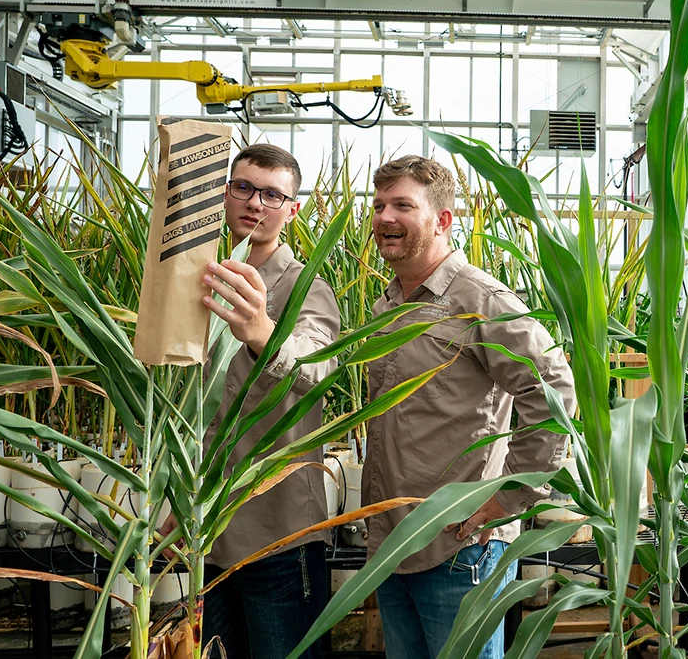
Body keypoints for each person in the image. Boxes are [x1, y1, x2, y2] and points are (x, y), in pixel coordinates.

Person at [362, 155, 576, 659]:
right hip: (394, 542)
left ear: (442, 220)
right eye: (379, 205)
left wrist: (513, 496)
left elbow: (552, 387)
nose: (385, 217)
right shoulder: (388, 304)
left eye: (402, 205)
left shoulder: (479, 299)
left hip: (458, 546)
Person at [191, 143, 340, 659]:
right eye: (245, 187)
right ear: (225, 193)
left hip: (276, 530)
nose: (256, 203)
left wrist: (262, 333)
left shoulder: (306, 288)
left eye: (273, 195)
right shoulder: (193, 279)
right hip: (203, 526)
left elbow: (317, 367)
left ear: (292, 210)